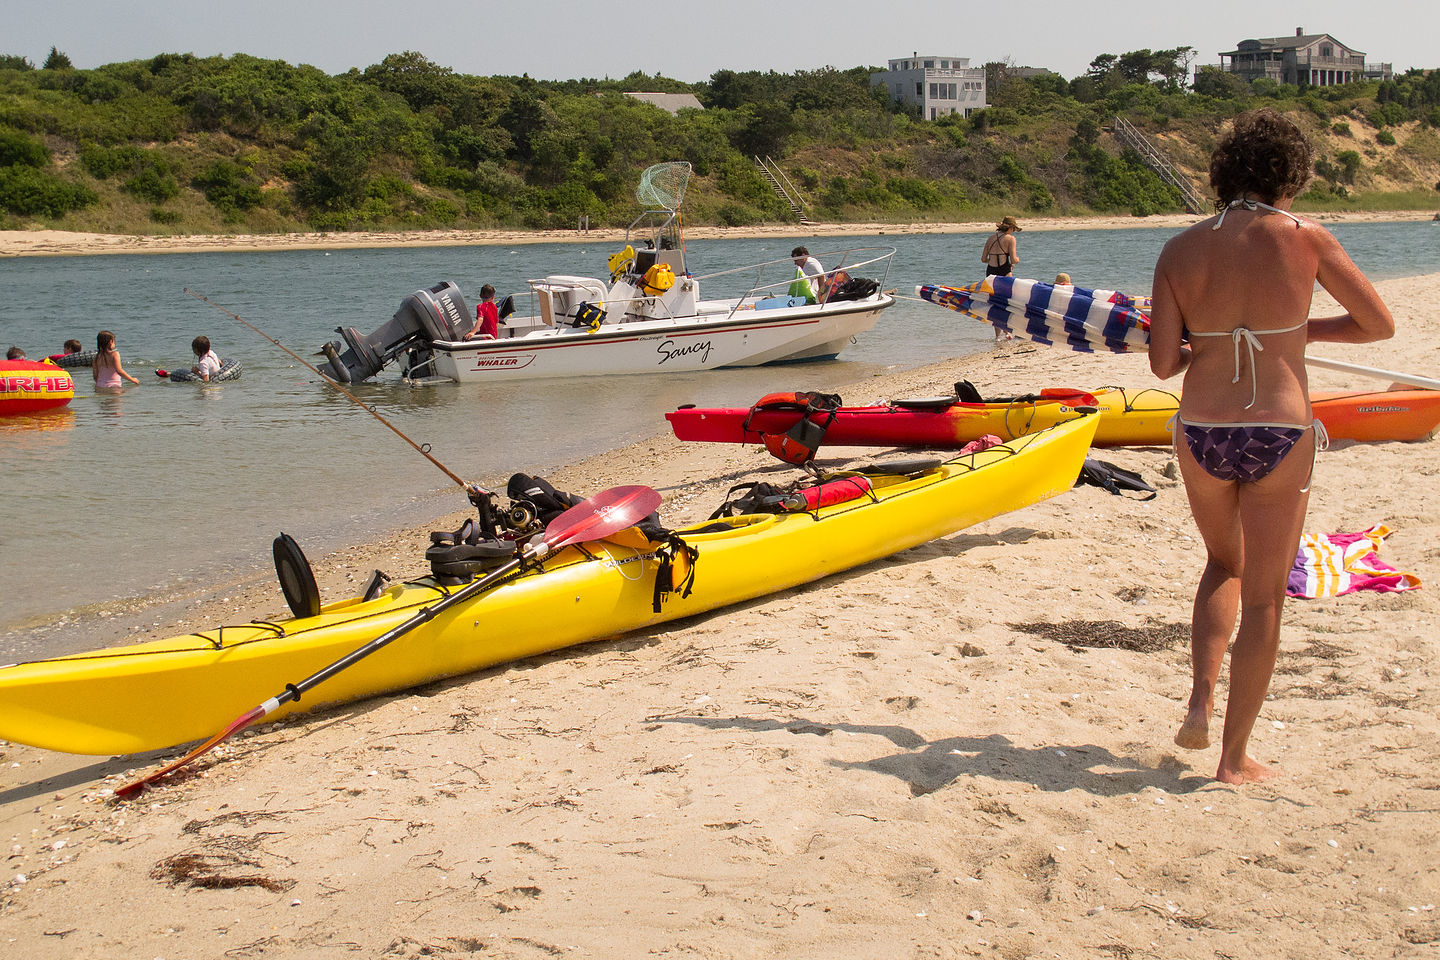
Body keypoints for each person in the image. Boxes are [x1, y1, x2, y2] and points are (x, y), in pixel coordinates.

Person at [1149, 108, 1393, 785]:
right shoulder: (1305, 238)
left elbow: (1163, 364)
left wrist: (1209, 342)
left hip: (1202, 431)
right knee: (1264, 597)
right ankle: (1232, 759)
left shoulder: (1180, 249)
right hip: (1279, 432)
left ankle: (1199, 701)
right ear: (1291, 175)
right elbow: (1377, 324)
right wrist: (1299, 332)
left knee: (1221, 563)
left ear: (1224, 173)